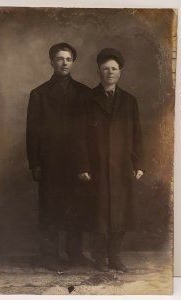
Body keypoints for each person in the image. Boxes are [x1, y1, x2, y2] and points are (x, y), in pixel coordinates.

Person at [78, 48, 144, 272]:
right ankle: (99, 258)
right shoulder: (86, 99)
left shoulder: (129, 101)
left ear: (120, 72)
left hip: (121, 167)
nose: (110, 72)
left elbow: (136, 135)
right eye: (105, 69)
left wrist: (138, 164)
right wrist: (83, 165)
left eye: (114, 69)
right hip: (96, 167)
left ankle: (115, 257)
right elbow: (79, 136)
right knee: (98, 214)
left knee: (119, 213)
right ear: (98, 71)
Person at [26, 42, 90, 270]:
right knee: (50, 208)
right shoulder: (39, 94)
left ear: (73, 62)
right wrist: (35, 163)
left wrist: (87, 163)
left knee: (76, 208)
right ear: (51, 62)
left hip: (76, 162)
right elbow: (32, 132)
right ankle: (49, 255)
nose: (64, 63)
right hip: (50, 162)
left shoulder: (84, 93)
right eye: (60, 59)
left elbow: (90, 131)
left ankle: (75, 254)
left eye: (69, 59)